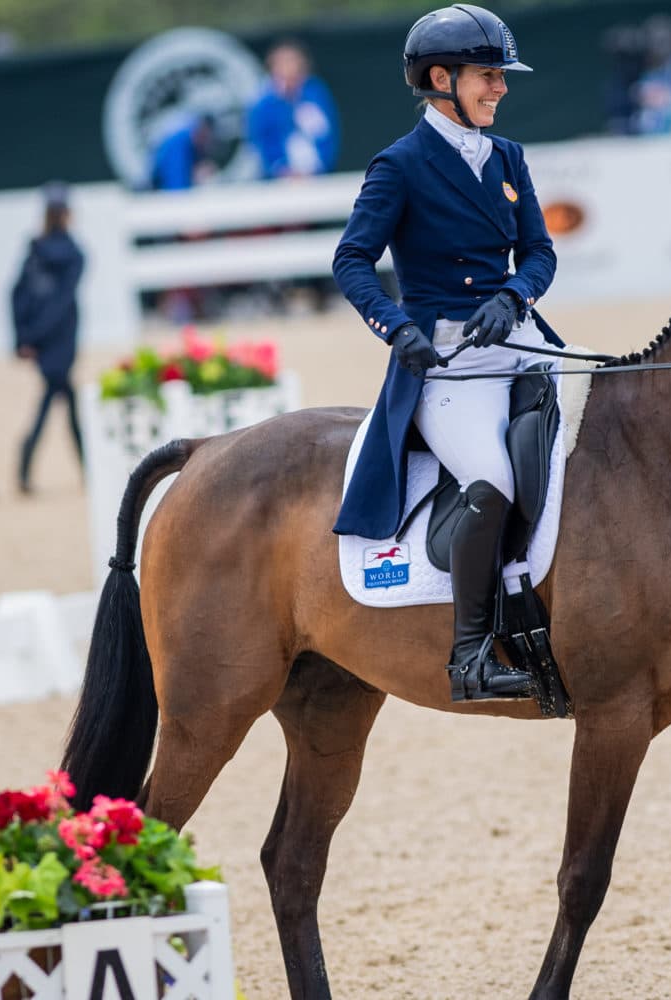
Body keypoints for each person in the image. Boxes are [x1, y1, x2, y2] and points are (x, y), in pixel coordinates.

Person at [331, 3, 562, 702]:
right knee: (490, 478)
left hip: (516, 341)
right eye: (489, 76)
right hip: (447, 364)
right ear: (443, 78)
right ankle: (469, 657)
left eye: (500, 76)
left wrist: (514, 295)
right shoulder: (400, 167)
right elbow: (352, 262)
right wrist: (397, 328)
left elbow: (541, 252)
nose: (501, 88)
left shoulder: (509, 157)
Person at [12, 181, 85, 494]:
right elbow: (61, 302)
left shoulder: (34, 252)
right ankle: (29, 465)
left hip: (42, 342)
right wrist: (38, 336)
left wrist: (25, 336)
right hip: (61, 340)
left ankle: (27, 466)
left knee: (63, 401)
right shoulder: (75, 254)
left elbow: (17, 295)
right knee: (61, 402)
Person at [246, 40, 340, 179]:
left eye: (293, 62)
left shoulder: (315, 93)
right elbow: (261, 142)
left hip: (317, 175)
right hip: (279, 179)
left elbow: (328, 133)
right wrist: (281, 169)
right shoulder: (264, 102)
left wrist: (317, 167)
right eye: (283, 63)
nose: (288, 68)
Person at [148, 113, 217, 191]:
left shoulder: (195, 146)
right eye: (204, 135)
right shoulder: (178, 145)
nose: (206, 141)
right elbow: (176, 186)